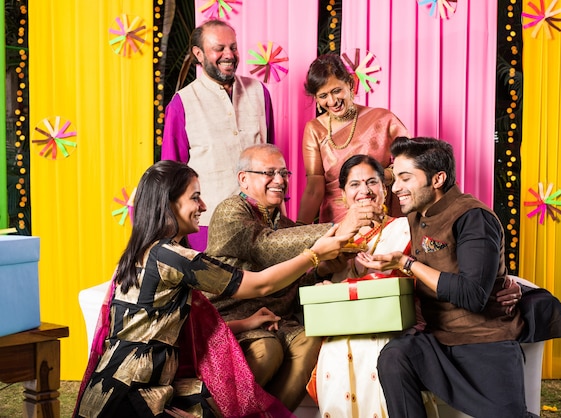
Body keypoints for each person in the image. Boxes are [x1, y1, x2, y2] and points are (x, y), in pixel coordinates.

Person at [73, 160, 350, 418]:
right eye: (195, 197)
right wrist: (313, 255)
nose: (204, 205)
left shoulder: (142, 253)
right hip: (130, 398)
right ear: (168, 204)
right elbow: (261, 283)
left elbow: (166, 326)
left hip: (118, 388)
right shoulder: (171, 257)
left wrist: (245, 323)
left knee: (231, 396)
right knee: (228, 397)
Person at [357, 137, 532, 418]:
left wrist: (406, 262)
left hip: (483, 342)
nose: (395, 187)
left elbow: (473, 295)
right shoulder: (415, 215)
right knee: (395, 356)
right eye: (394, 178)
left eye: (405, 178)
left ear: (437, 178)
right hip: (438, 339)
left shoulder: (474, 217)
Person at [204, 144, 381, 411]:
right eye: (269, 173)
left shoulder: (285, 225)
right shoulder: (230, 211)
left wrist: (323, 270)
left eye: (284, 173)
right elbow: (264, 247)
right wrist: (338, 227)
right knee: (266, 350)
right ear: (244, 179)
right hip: (233, 316)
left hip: (277, 321)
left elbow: (293, 284)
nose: (280, 181)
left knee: (311, 339)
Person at [307, 154, 415, 418]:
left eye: (372, 182)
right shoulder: (332, 238)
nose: (364, 191)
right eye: (354, 185)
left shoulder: (405, 228)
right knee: (335, 352)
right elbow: (311, 276)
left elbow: (404, 281)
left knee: (372, 349)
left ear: (384, 190)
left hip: (387, 324)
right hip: (337, 328)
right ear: (343, 195)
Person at [162, 19, 274, 251]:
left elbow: (272, 157)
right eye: (219, 49)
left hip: (261, 220)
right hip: (207, 224)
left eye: (233, 47)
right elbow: (172, 173)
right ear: (198, 54)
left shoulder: (259, 92)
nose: (229, 55)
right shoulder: (182, 103)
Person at [297, 53, 409, 225]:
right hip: (337, 224)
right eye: (323, 95)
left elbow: (412, 164)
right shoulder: (315, 129)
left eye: (336, 91)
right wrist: (299, 230)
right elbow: (314, 189)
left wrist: (383, 176)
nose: (332, 101)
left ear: (350, 84)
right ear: (316, 98)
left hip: (381, 215)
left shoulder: (382, 118)